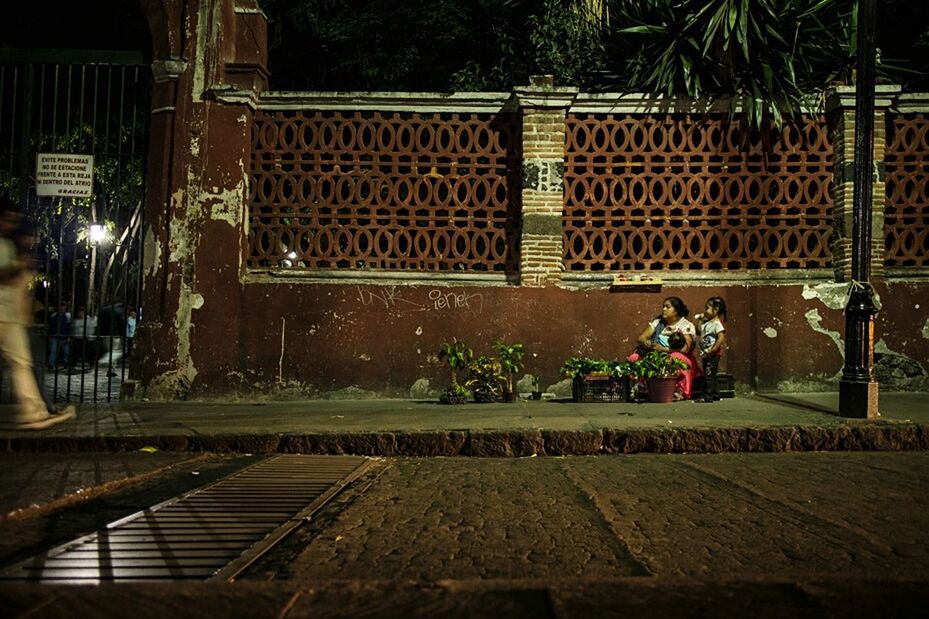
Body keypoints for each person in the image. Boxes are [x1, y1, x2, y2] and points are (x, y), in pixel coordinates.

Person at [0, 197, 75, 430]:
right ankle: (34, 411)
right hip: (4, 313)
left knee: (22, 362)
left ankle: (34, 411)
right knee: (22, 362)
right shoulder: (5, 247)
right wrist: (20, 266)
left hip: (9, 314)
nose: (10, 225)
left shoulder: (8, 245)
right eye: (7, 219)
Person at [629, 296, 700, 399]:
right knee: (634, 358)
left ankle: (679, 391)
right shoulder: (658, 322)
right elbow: (641, 337)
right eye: (663, 306)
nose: (664, 309)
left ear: (676, 311)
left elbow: (686, 349)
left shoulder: (685, 325)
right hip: (656, 356)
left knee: (675, 357)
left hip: (680, 357)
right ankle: (641, 389)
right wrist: (645, 341)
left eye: (667, 307)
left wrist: (664, 349)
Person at [694, 296, 727, 403]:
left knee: (708, 375)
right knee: (711, 374)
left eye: (707, 308)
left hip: (712, 354)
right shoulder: (707, 322)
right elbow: (698, 331)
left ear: (716, 310)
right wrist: (700, 320)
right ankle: (715, 394)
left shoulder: (717, 323)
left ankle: (707, 396)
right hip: (705, 353)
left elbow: (721, 337)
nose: (705, 310)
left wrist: (713, 350)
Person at [47, 301, 71, 369]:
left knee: (66, 352)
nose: (62, 308)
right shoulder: (54, 315)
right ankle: (51, 364)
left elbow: (69, 327)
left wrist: (69, 336)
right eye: (61, 307)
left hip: (64, 336)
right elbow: (50, 326)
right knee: (53, 351)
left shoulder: (67, 316)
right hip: (55, 336)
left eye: (63, 307)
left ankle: (65, 363)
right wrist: (49, 335)